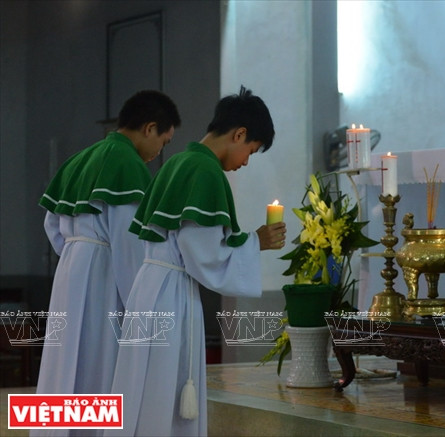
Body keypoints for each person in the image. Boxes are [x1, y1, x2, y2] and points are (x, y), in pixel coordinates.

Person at [107, 86, 285, 436]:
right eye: (250, 151)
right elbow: (201, 253)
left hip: (151, 287)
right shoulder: (205, 171)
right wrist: (256, 242)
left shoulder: (178, 161)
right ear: (239, 134)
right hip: (169, 296)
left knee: (142, 388)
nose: (246, 162)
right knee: (164, 390)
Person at [34, 90, 181, 436]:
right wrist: (141, 304)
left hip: (69, 271)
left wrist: (76, 254)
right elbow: (129, 244)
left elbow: (51, 225)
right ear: (149, 128)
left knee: (65, 361)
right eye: (164, 140)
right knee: (98, 363)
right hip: (103, 277)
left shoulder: (80, 158)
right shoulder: (127, 166)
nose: (160, 151)